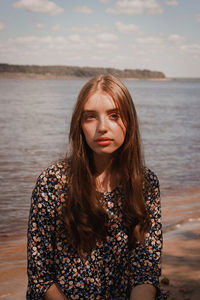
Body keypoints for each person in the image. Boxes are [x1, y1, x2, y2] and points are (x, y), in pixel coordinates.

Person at [27, 75, 168, 300]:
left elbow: (145, 271)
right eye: (90, 117)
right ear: (79, 125)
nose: (102, 127)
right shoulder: (52, 182)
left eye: (114, 116)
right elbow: (41, 277)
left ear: (129, 121)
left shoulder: (145, 183)